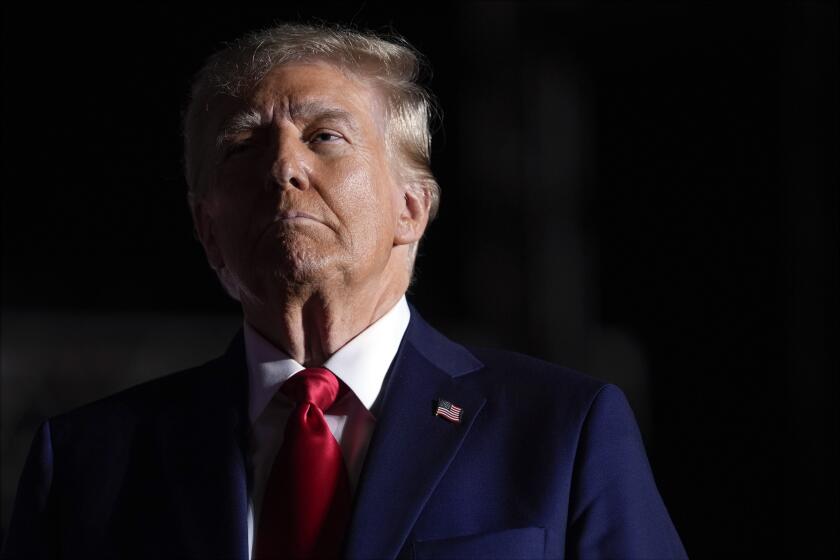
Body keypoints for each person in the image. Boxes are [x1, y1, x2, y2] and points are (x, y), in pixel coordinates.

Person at [1, 22, 687, 560]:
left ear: (410, 207)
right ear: (207, 230)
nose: (283, 166)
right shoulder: (90, 461)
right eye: (242, 145)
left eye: (325, 135)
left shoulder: (564, 430)